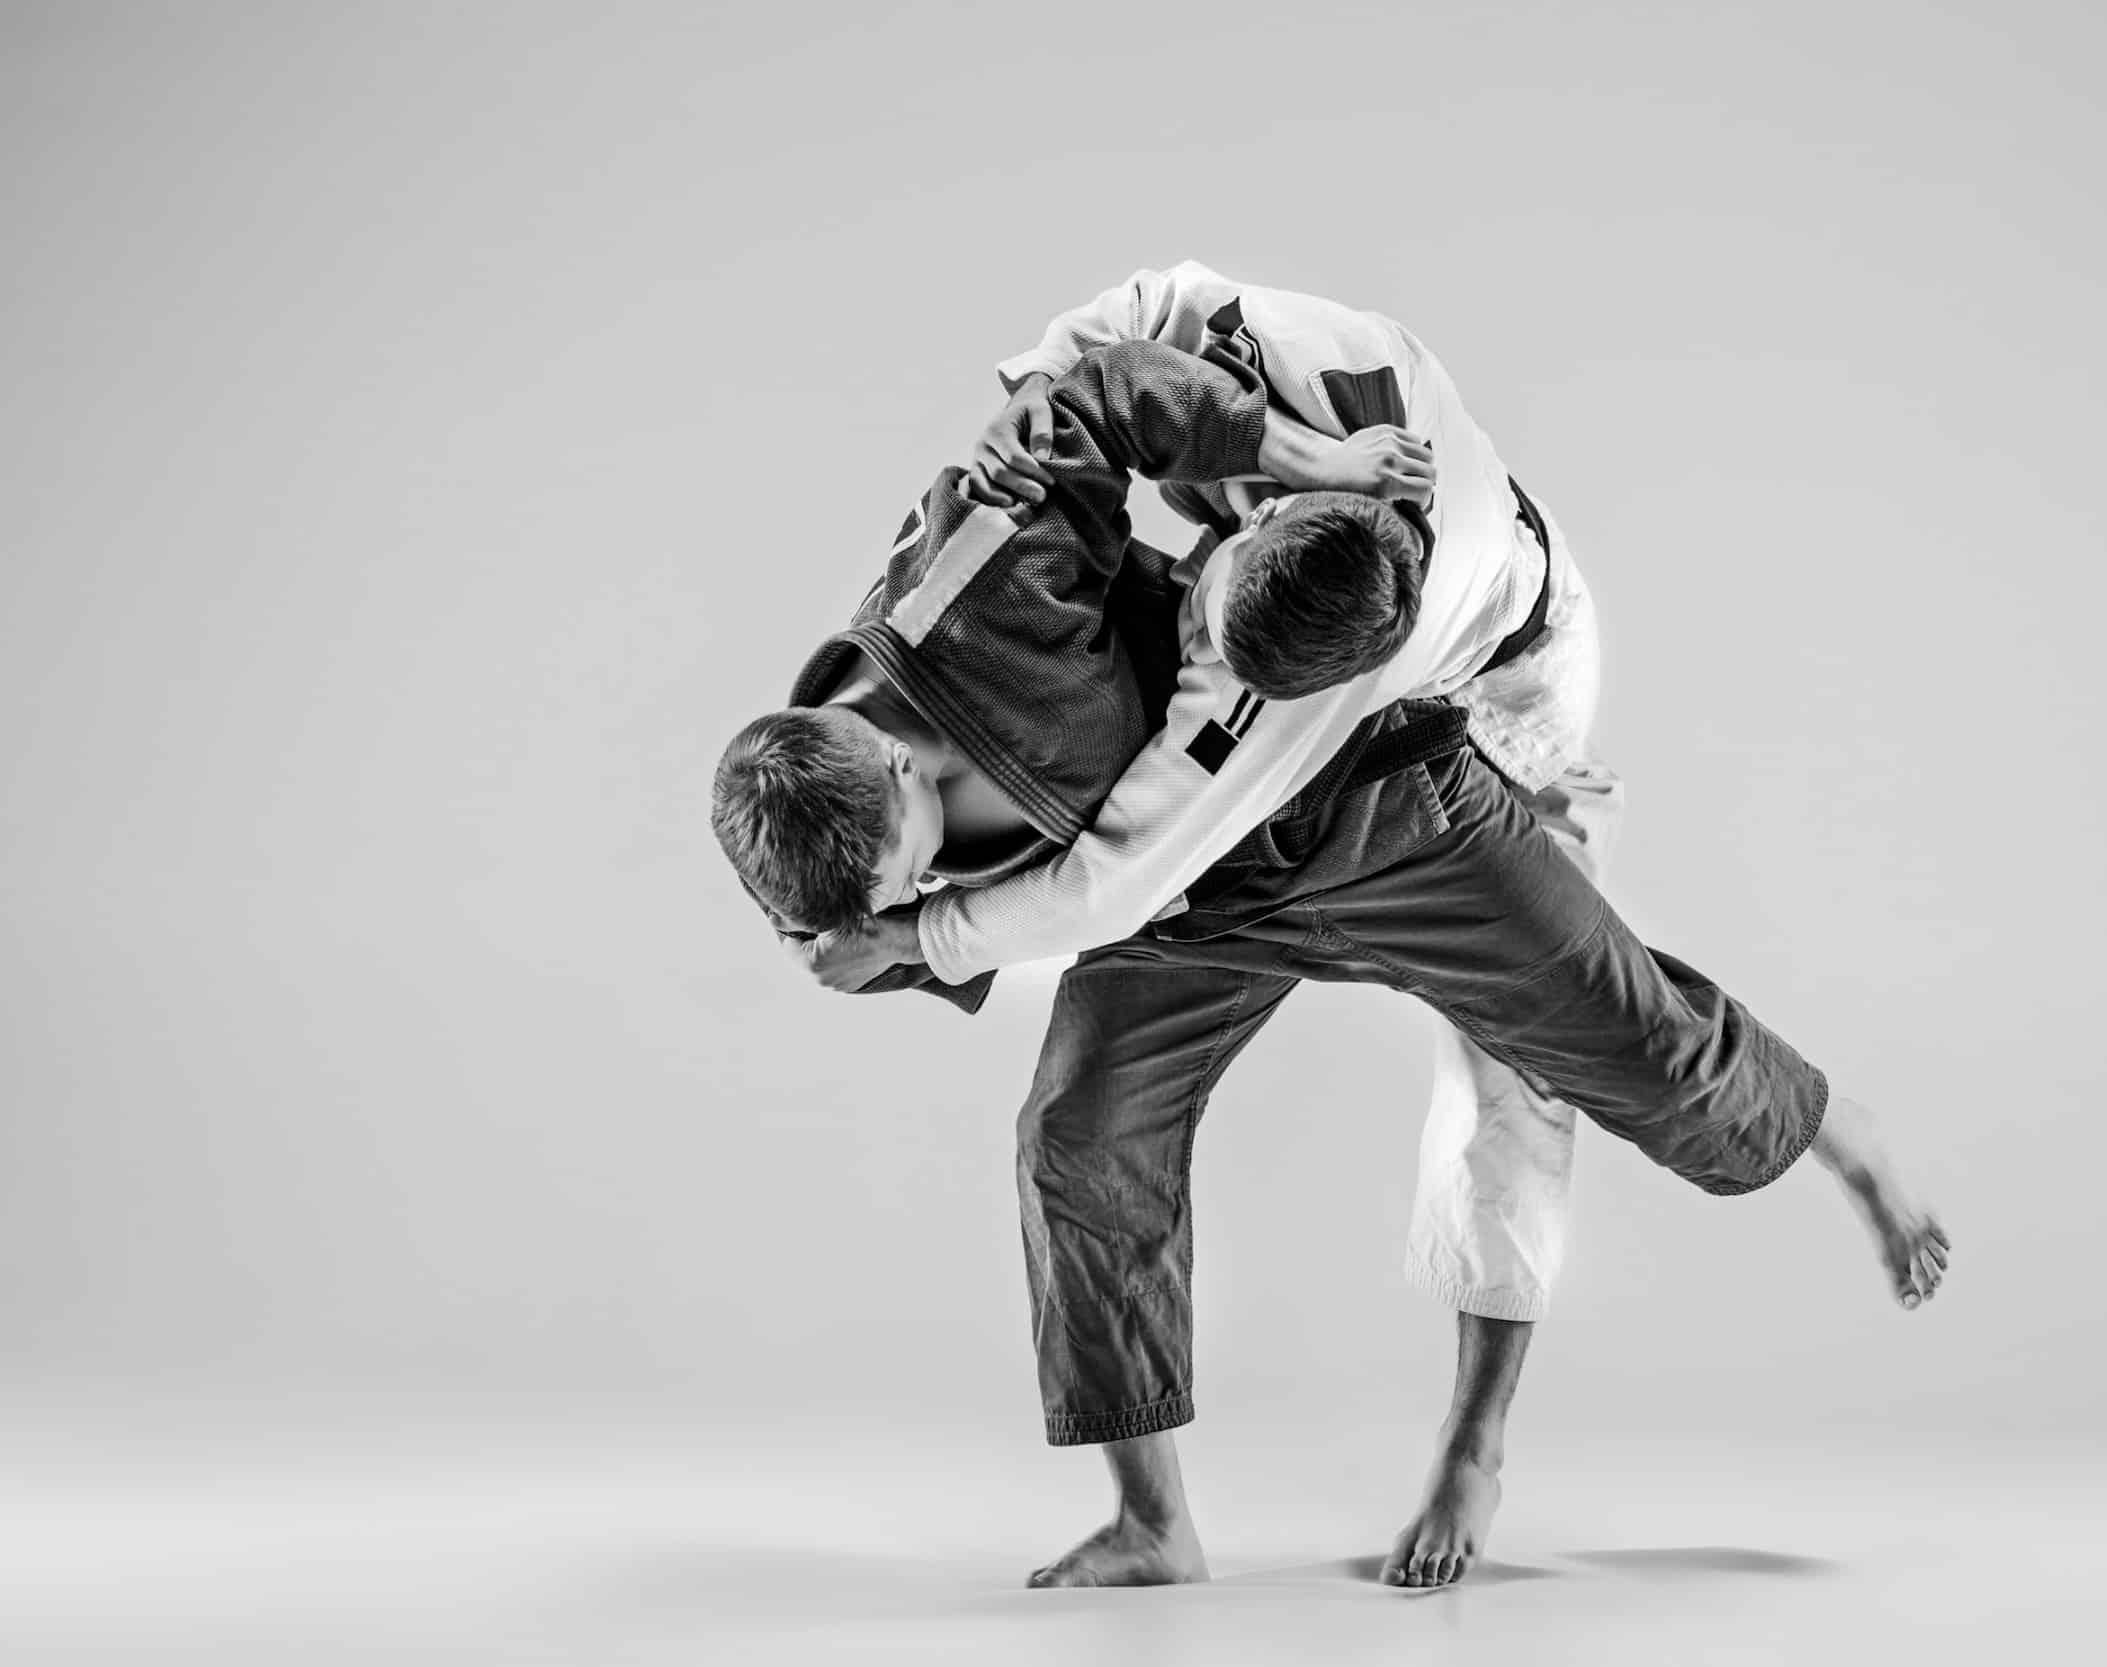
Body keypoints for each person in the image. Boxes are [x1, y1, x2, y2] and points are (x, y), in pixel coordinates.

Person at [716, 334, 1950, 1591]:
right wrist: (868, 951)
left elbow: (1094, 390)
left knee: (1634, 1050)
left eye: (915, 860)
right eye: (900, 893)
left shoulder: (977, 581)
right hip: (1189, 913)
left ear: (884, 754)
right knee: (1077, 1136)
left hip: (1375, 809)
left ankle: (1840, 1132)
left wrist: (1303, 455)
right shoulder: (812, 824)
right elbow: (882, 923)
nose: (922, 891)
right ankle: (1153, 1523)